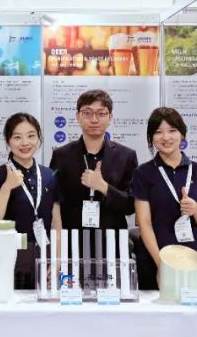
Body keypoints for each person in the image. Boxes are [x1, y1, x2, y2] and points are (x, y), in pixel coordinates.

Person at [130, 107, 197, 289]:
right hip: (155, 258)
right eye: (158, 132)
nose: (166, 137)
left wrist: (195, 209)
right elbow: (144, 224)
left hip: (193, 257)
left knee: (194, 305)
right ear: (151, 137)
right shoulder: (143, 173)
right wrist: (162, 264)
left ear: (182, 134)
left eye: (172, 130)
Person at [0, 113, 61, 289]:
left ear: (39, 138)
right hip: (9, 257)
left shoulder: (49, 175)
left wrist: (57, 260)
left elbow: (57, 223)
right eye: (17, 137)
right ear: (8, 141)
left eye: (31, 136)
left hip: (44, 254)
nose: (25, 143)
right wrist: (7, 187)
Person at [49, 89, 138, 232]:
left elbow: (131, 206)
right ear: (77, 116)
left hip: (112, 239)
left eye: (101, 113)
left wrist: (104, 187)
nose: (94, 120)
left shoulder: (126, 156)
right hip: (72, 238)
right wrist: (58, 237)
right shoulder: (61, 156)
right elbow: (53, 200)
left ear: (110, 117)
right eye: (87, 113)